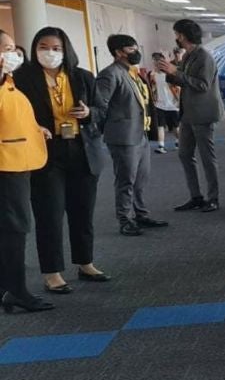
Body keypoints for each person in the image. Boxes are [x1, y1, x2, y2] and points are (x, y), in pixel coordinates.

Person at [13, 27, 111, 293]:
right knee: (50, 214)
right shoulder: (22, 78)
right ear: (35, 49)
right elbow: (16, 115)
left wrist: (89, 112)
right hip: (46, 151)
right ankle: (52, 272)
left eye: (56, 48)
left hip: (82, 150)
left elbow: (102, 111)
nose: (50, 53)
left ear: (66, 49)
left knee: (82, 212)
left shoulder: (82, 77)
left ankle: (85, 262)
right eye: (44, 47)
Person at [0, 29, 54, 312]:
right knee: (15, 228)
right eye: (7, 48)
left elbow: (13, 119)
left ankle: (7, 288)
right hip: (7, 166)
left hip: (17, 160)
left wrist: (36, 130)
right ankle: (16, 290)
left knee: (11, 228)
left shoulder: (9, 83)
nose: (14, 53)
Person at [96, 35, 168, 237]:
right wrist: (111, 128)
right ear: (118, 52)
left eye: (136, 47)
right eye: (131, 48)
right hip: (123, 137)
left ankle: (141, 215)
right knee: (126, 180)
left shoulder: (134, 73)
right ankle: (124, 219)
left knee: (141, 179)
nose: (136, 51)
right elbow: (100, 106)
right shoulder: (109, 75)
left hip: (141, 134)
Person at [158, 19, 222, 213]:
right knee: (185, 154)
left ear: (183, 36)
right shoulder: (188, 55)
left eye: (177, 34)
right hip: (188, 113)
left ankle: (213, 198)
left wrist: (175, 71)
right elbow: (183, 79)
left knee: (207, 157)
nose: (175, 38)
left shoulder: (204, 57)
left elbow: (202, 85)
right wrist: (169, 72)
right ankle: (196, 196)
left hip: (203, 114)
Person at [149, 52, 181, 154]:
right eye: (154, 62)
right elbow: (152, 88)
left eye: (158, 62)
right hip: (159, 104)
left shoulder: (170, 74)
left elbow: (178, 87)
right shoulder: (152, 75)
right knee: (160, 126)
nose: (156, 64)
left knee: (176, 127)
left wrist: (178, 99)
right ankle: (161, 146)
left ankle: (179, 142)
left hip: (172, 105)